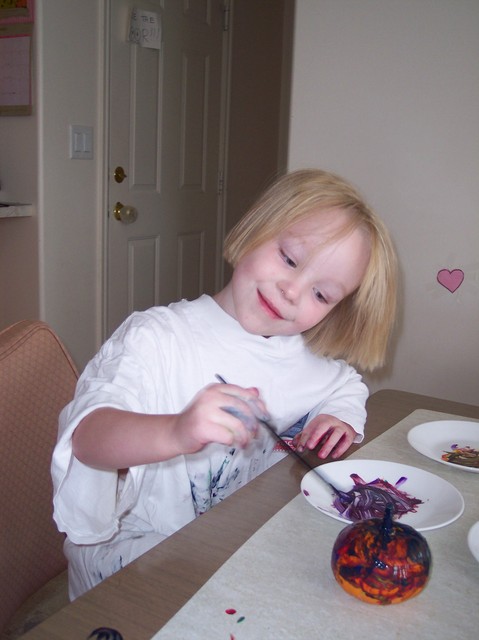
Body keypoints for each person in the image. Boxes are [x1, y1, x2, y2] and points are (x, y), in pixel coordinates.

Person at [51, 169, 397, 599]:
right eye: (289, 259)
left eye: (321, 295)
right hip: (129, 565)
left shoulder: (301, 357)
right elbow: (88, 438)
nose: (292, 291)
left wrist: (338, 415)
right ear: (257, 226)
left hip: (226, 550)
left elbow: (347, 384)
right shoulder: (155, 339)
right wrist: (176, 430)